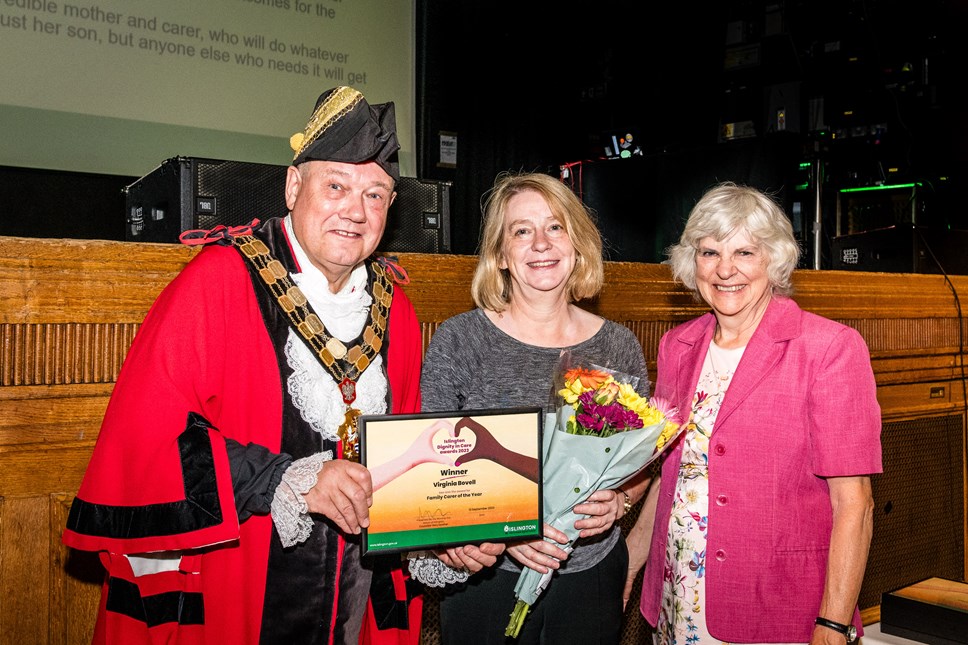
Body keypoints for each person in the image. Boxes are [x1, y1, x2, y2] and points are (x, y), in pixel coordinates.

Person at [62, 86, 424, 645]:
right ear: (293, 185)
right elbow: (150, 439)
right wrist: (286, 478)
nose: (356, 211)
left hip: (353, 599)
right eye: (336, 186)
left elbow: (410, 456)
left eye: (375, 195)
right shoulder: (219, 282)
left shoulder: (395, 309)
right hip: (240, 586)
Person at [624, 182, 882, 644]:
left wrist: (833, 621)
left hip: (778, 606)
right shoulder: (676, 347)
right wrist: (632, 559)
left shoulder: (829, 349)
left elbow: (854, 505)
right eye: (709, 253)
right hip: (676, 600)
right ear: (691, 262)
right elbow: (671, 474)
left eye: (745, 252)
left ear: (774, 260)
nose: (725, 270)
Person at [408, 171, 653, 644]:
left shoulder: (619, 346)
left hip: (591, 574)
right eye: (522, 230)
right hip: (488, 576)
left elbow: (638, 466)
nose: (541, 242)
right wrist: (512, 526)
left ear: (577, 244)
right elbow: (433, 473)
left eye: (555, 227)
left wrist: (621, 501)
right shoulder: (461, 340)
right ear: (501, 255)